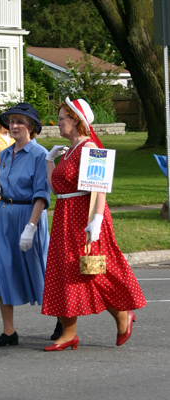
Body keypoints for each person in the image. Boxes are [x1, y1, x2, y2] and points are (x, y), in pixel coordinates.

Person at [42, 97, 146, 351]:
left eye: (62, 119)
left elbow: (99, 191)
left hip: (84, 219)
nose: (57, 124)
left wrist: (96, 222)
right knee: (65, 272)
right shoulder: (70, 151)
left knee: (91, 270)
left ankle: (122, 314)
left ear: (76, 121)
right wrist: (49, 161)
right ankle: (68, 333)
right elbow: (57, 189)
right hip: (65, 216)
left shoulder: (91, 149)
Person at [0, 103, 51, 347]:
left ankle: (62, 319)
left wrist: (31, 227)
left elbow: (41, 194)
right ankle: (9, 331)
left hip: (29, 216)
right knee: (1, 270)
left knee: (39, 269)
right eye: (11, 121)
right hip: (4, 215)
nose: (14, 126)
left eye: (19, 121)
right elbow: (5, 183)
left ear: (32, 126)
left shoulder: (40, 155)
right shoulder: (4, 153)